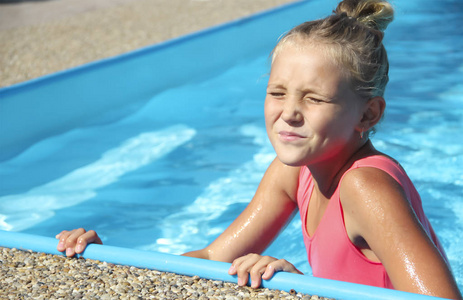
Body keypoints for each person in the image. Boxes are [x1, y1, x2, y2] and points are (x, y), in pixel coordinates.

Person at [55, 0, 462, 298]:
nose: (289, 114)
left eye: (314, 99)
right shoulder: (295, 172)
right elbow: (215, 257)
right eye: (277, 93)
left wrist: (305, 289)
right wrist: (110, 263)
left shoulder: (367, 189)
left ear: (368, 114)